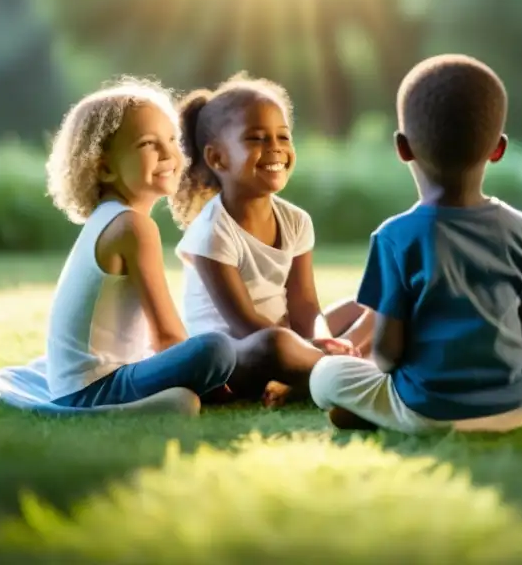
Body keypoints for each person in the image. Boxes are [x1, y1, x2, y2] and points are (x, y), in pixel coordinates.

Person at [309, 54, 522, 433]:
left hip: (426, 411)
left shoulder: (394, 236)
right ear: (498, 148)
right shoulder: (521, 227)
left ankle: (375, 409)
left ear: (403, 147)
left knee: (326, 375)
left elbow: (388, 354)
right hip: (514, 403)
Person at [170, 74, 371, 404]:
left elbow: (306, 306)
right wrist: (307, 346)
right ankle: (347, 371)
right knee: (275, 344)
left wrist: (321, 339)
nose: (275, 148)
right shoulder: (210, 232)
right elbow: (245, 323)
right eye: (256, 138)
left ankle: (312, 373)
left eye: (282, 136)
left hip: (288, 337)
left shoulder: (295, 221)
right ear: (217, 158)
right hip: (236, 357)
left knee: (370, 304)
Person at [43, 78, 235, 415]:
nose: (168, 154)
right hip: (95, 391)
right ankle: (162, 401)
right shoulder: (132, 226)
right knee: (217, 348)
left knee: (212, 347)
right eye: (148, 143)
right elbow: (166, 334)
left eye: (172, 139)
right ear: (103, 167)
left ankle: (171, 396)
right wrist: (214, 376)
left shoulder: (109, 218)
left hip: (77, 385)